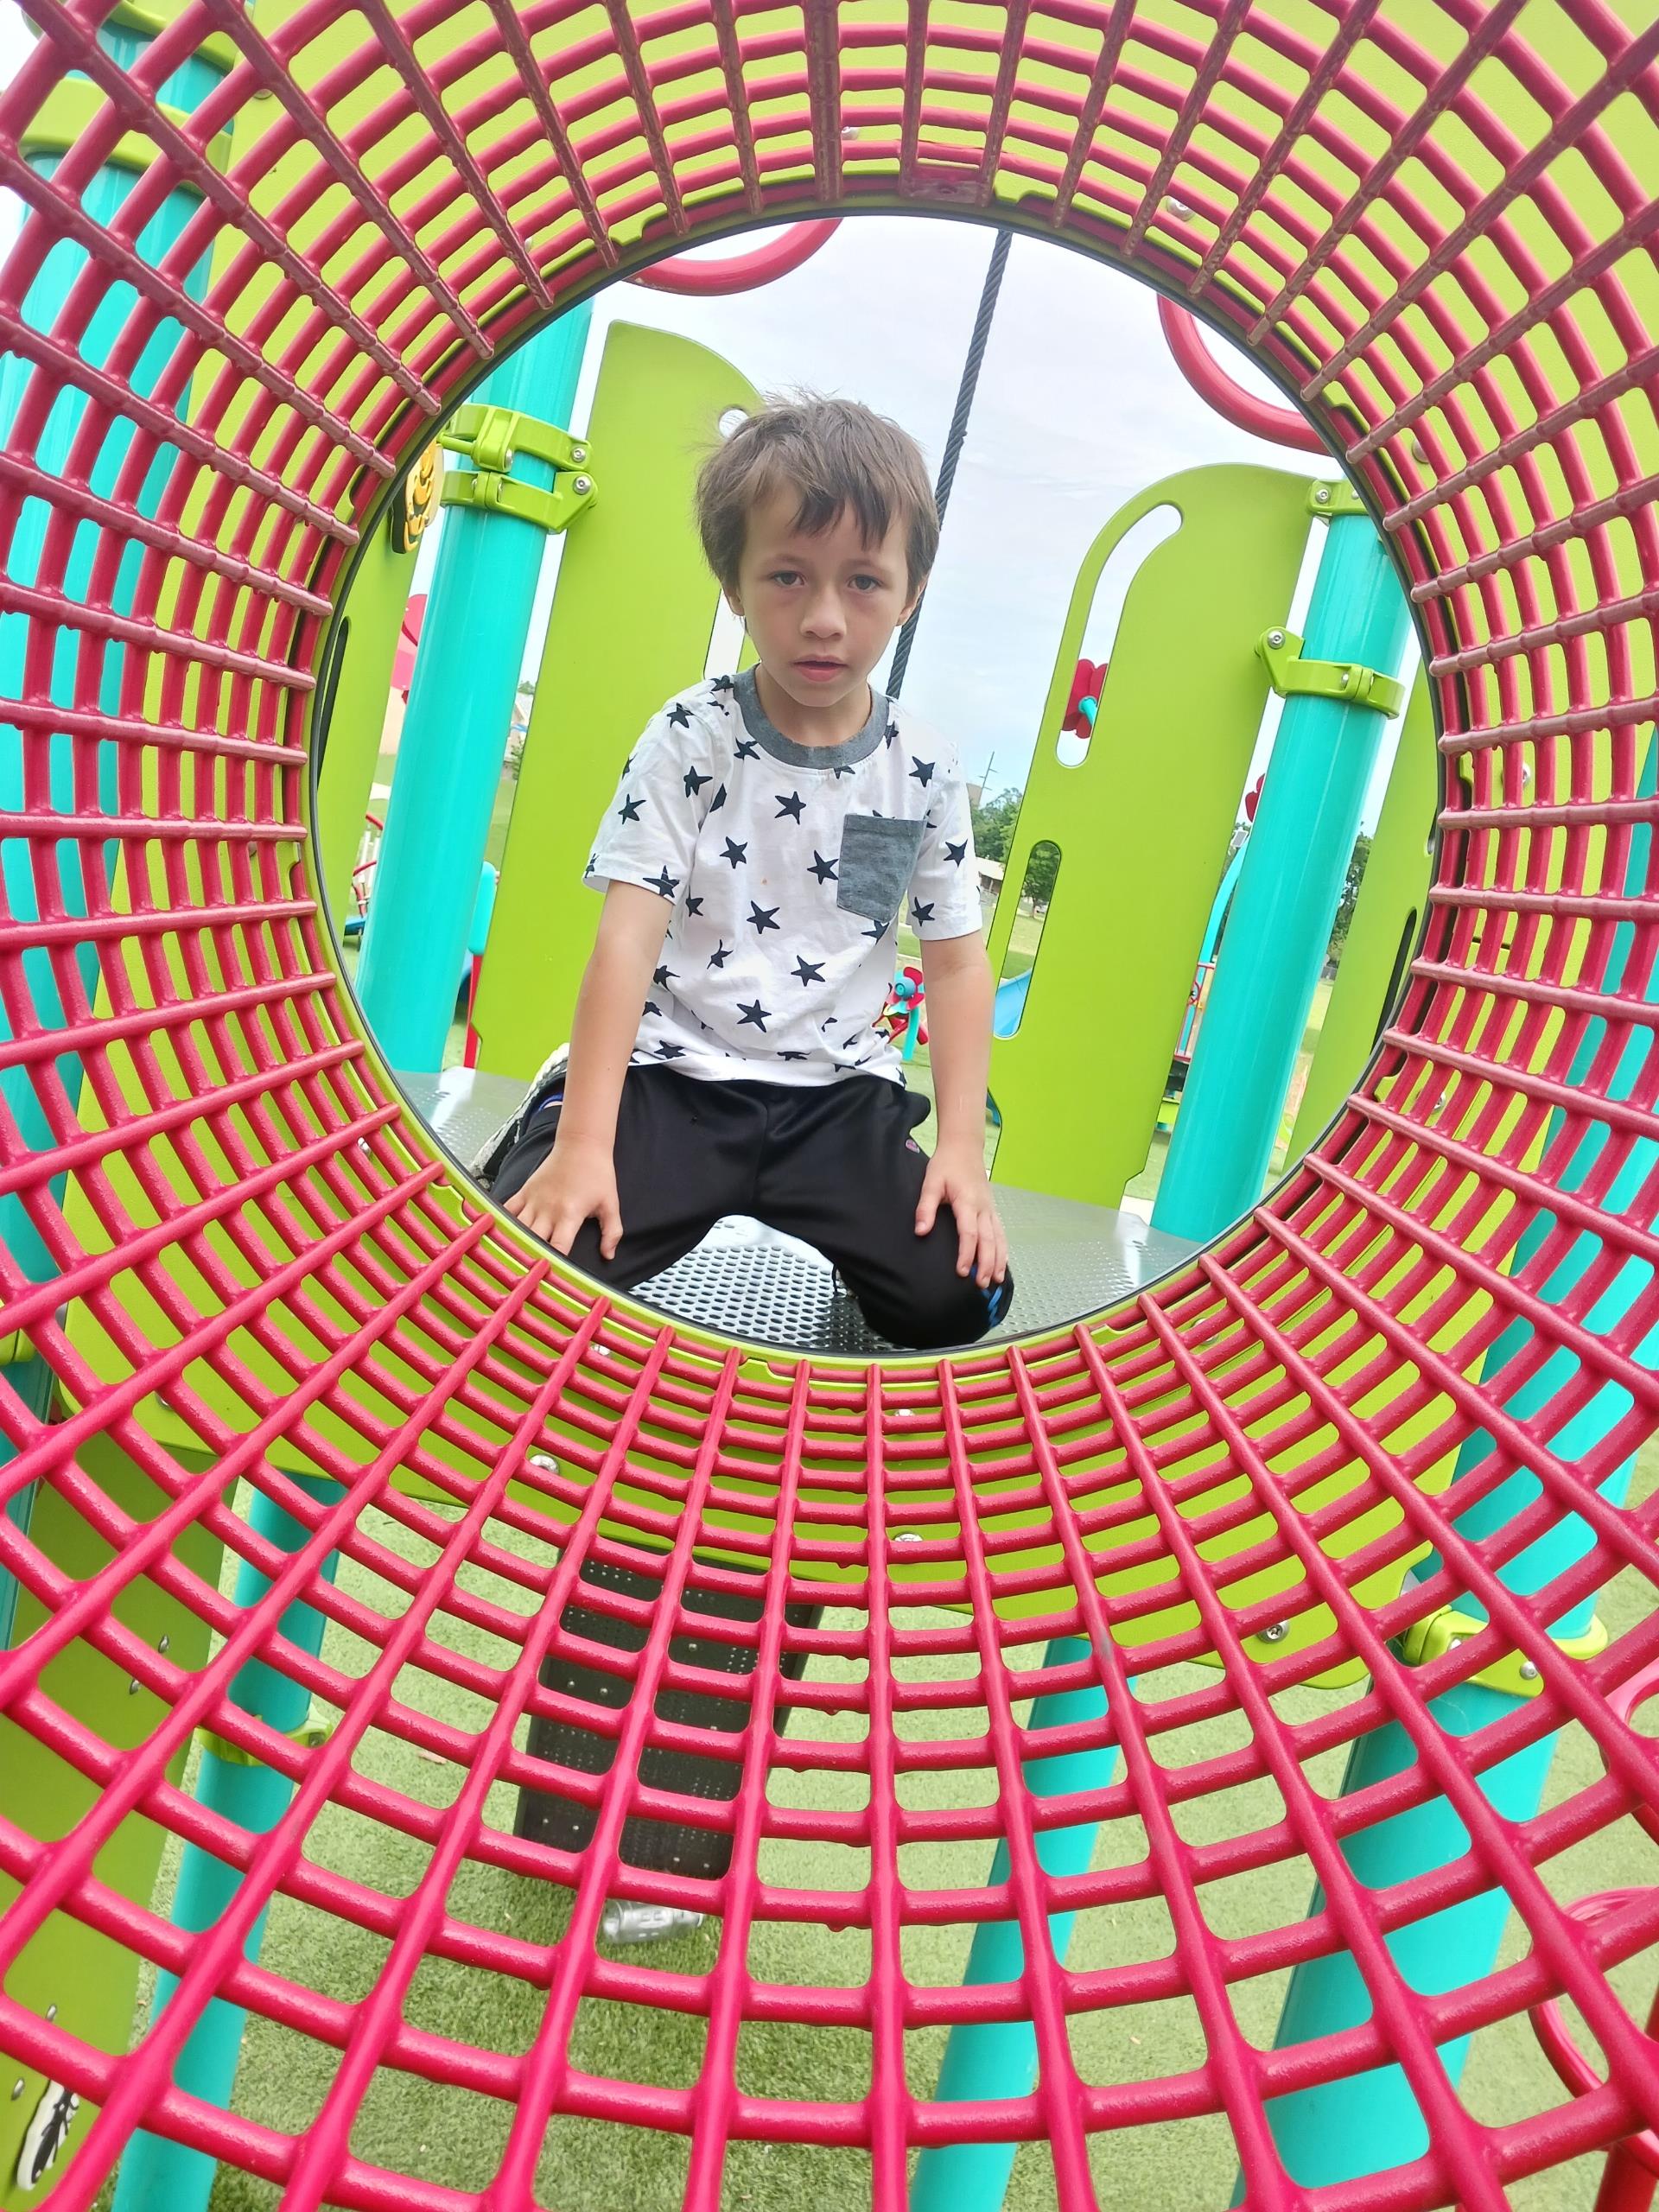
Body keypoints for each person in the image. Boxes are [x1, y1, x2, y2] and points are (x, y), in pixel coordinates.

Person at [489, 394, 1012, 1349]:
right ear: (734, 583)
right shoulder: (692, 736)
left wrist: (964, 1157)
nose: (822, 618)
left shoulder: (921, 770)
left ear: (913, 589)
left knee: (960, 1297)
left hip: (835, 1097)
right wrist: (584, 1146)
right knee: (522, 1257)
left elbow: (956, 964)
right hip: (675, 1075)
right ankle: (554, 1121)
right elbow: (628, 934)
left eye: (862, 581)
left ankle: (875, 1264)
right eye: (786, 576)